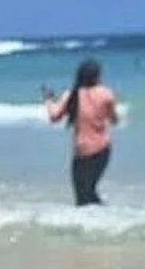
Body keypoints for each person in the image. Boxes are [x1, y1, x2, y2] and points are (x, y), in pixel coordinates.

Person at [43, 59, 119, 207]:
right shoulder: (106, 94)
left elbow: (54, 117)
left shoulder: (72, 95)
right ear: (98, 76)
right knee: (90, 192)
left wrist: (49, 100)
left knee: (82, 197)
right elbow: (114, 120)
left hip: (82, 152)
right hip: (103, 150)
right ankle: (106, 218)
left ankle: (101, 221)